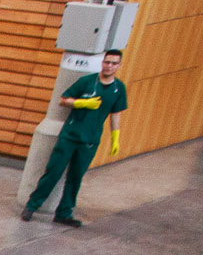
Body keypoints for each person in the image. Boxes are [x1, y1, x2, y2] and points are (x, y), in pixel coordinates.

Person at [23, 47, 128, 227]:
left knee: (75, 177)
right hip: (70, 136)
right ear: (102, 62)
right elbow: (63, 100)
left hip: (89, 141)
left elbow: (116, 114)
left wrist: (115, 138)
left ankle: (64, 212)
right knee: (53, 172)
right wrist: (80, 103)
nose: (109, 66)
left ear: (119, 65)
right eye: (107, 62)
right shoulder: (87, 82)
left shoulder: (118, 89)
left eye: (113, 63)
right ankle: (32, 205)